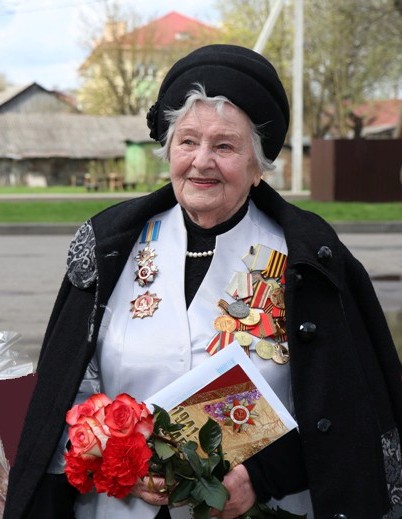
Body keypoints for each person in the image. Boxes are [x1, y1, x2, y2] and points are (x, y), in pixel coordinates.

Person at [5, 44, 402, 519]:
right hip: (118, 507)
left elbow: (346, 414)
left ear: (258, 166)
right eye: (188, 141)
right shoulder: (111, 246)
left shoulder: (309, 260)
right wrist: (112, 453)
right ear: (169, 151)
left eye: (225, 146)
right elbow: (68, 396)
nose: (202, 161)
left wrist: (259, 477)